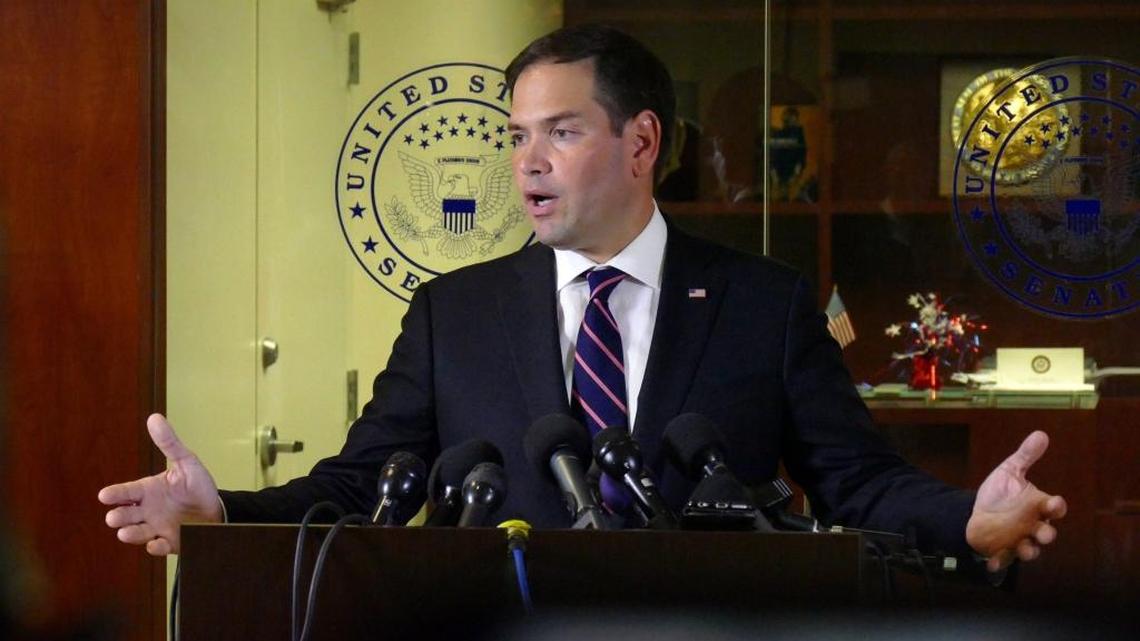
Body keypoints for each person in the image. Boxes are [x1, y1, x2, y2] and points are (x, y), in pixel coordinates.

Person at [99, 25, 1064, 573]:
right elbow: (362, 486)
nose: (527, 162)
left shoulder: (761, 304)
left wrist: (966, 513)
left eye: (559, 132)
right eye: (517, 136)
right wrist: (226, 512)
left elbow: (856, 480)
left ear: (641, 143)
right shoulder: (454, 313)